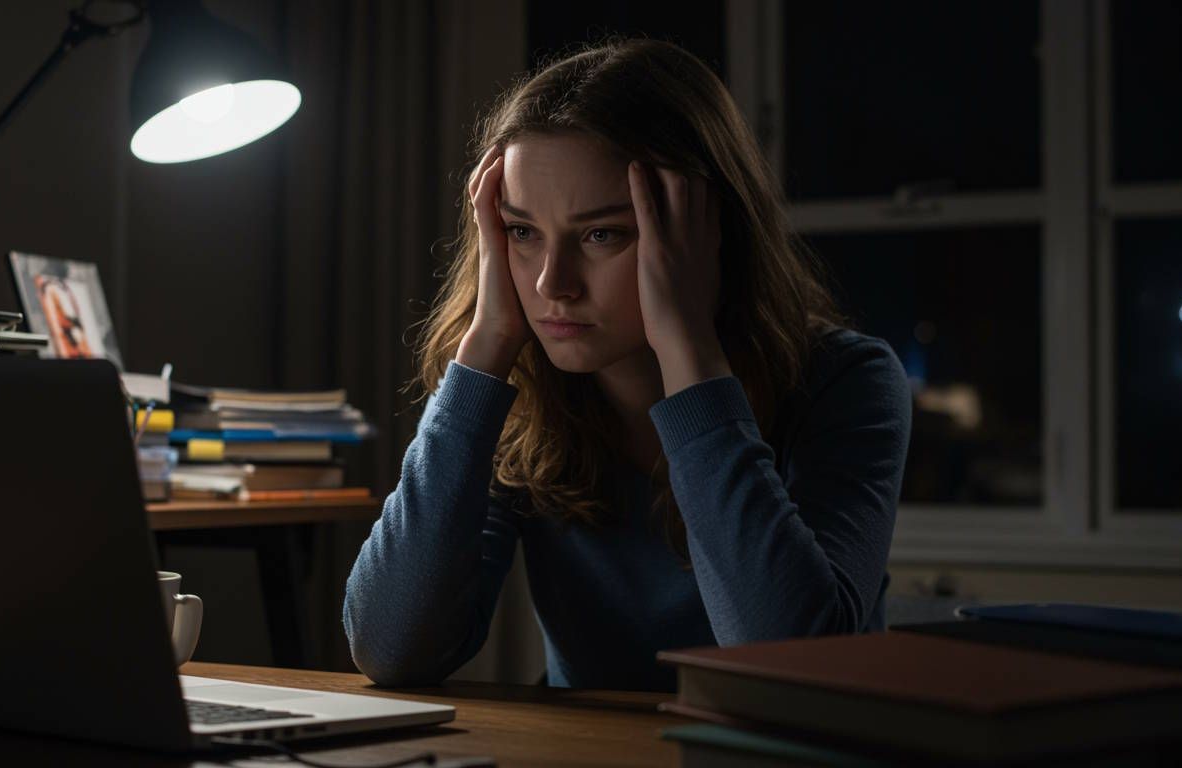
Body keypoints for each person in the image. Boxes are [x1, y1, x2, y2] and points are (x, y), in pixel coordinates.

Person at [342, 38, 912, 692]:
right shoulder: (522, 390)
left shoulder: (847, 382)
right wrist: (486, 344)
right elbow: (390, 649)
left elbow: (790, 667)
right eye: (522, 232)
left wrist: (689, 349)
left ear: (705, 233)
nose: (554, 283)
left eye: (601, 234)